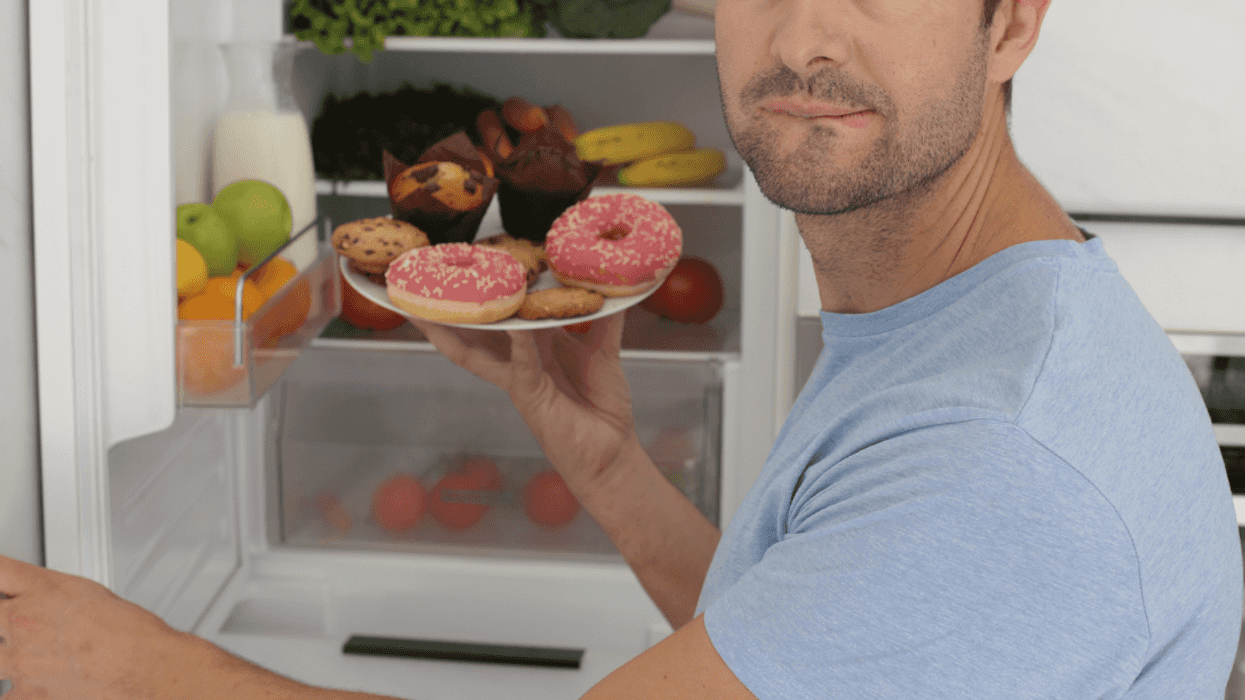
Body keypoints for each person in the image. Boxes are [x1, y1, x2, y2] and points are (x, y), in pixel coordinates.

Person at [1, 0, 1240, 696]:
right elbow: (797, 645)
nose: (809, 33)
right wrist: (601, 463)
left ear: (1011, 21)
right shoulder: (976, 314)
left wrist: (139, 669)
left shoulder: (998, 459)